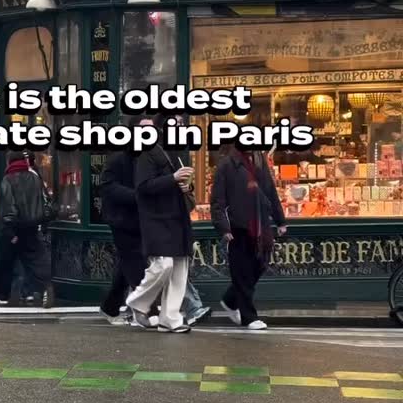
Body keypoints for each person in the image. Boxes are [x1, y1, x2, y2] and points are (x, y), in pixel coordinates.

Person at [126, 114, 195, 334]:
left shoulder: (177, 153)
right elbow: (143, 187)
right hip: (158, 219)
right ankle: (137, 301)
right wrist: (173, 179)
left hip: (177, 217)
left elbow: (179, 184)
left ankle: (170, 319)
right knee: (163, 265)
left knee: (179, 270)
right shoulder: (148, 152)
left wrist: (187, 187)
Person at [210, 144, 287, 331]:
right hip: (238, 226)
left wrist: (280, 220)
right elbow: (217, 200)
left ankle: (230, 299)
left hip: (261, 224)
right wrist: (224, 227)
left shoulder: (259, 160)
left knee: (260, 265)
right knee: (242, 272)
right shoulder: (226, 165)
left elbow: (270, 191)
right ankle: (249, 316)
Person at [100, 115, 158, 328]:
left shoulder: (152, 156)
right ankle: (147, 310)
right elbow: (108, 187)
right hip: (121, 219)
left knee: (128, 265)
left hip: (143, 218)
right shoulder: (119, 157)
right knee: (136, 262)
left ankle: (110, 306)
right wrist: (137, 195)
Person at [0, 151, 50, 306]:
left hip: (15, 228)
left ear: (10, 162)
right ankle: (37, 291)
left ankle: (1, 296)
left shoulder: (8, 179)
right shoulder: (35, 177)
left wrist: (10, 230)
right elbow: (45, 201)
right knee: (34, 262)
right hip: (33, 227)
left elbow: (9, 207)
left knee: (5, 262)